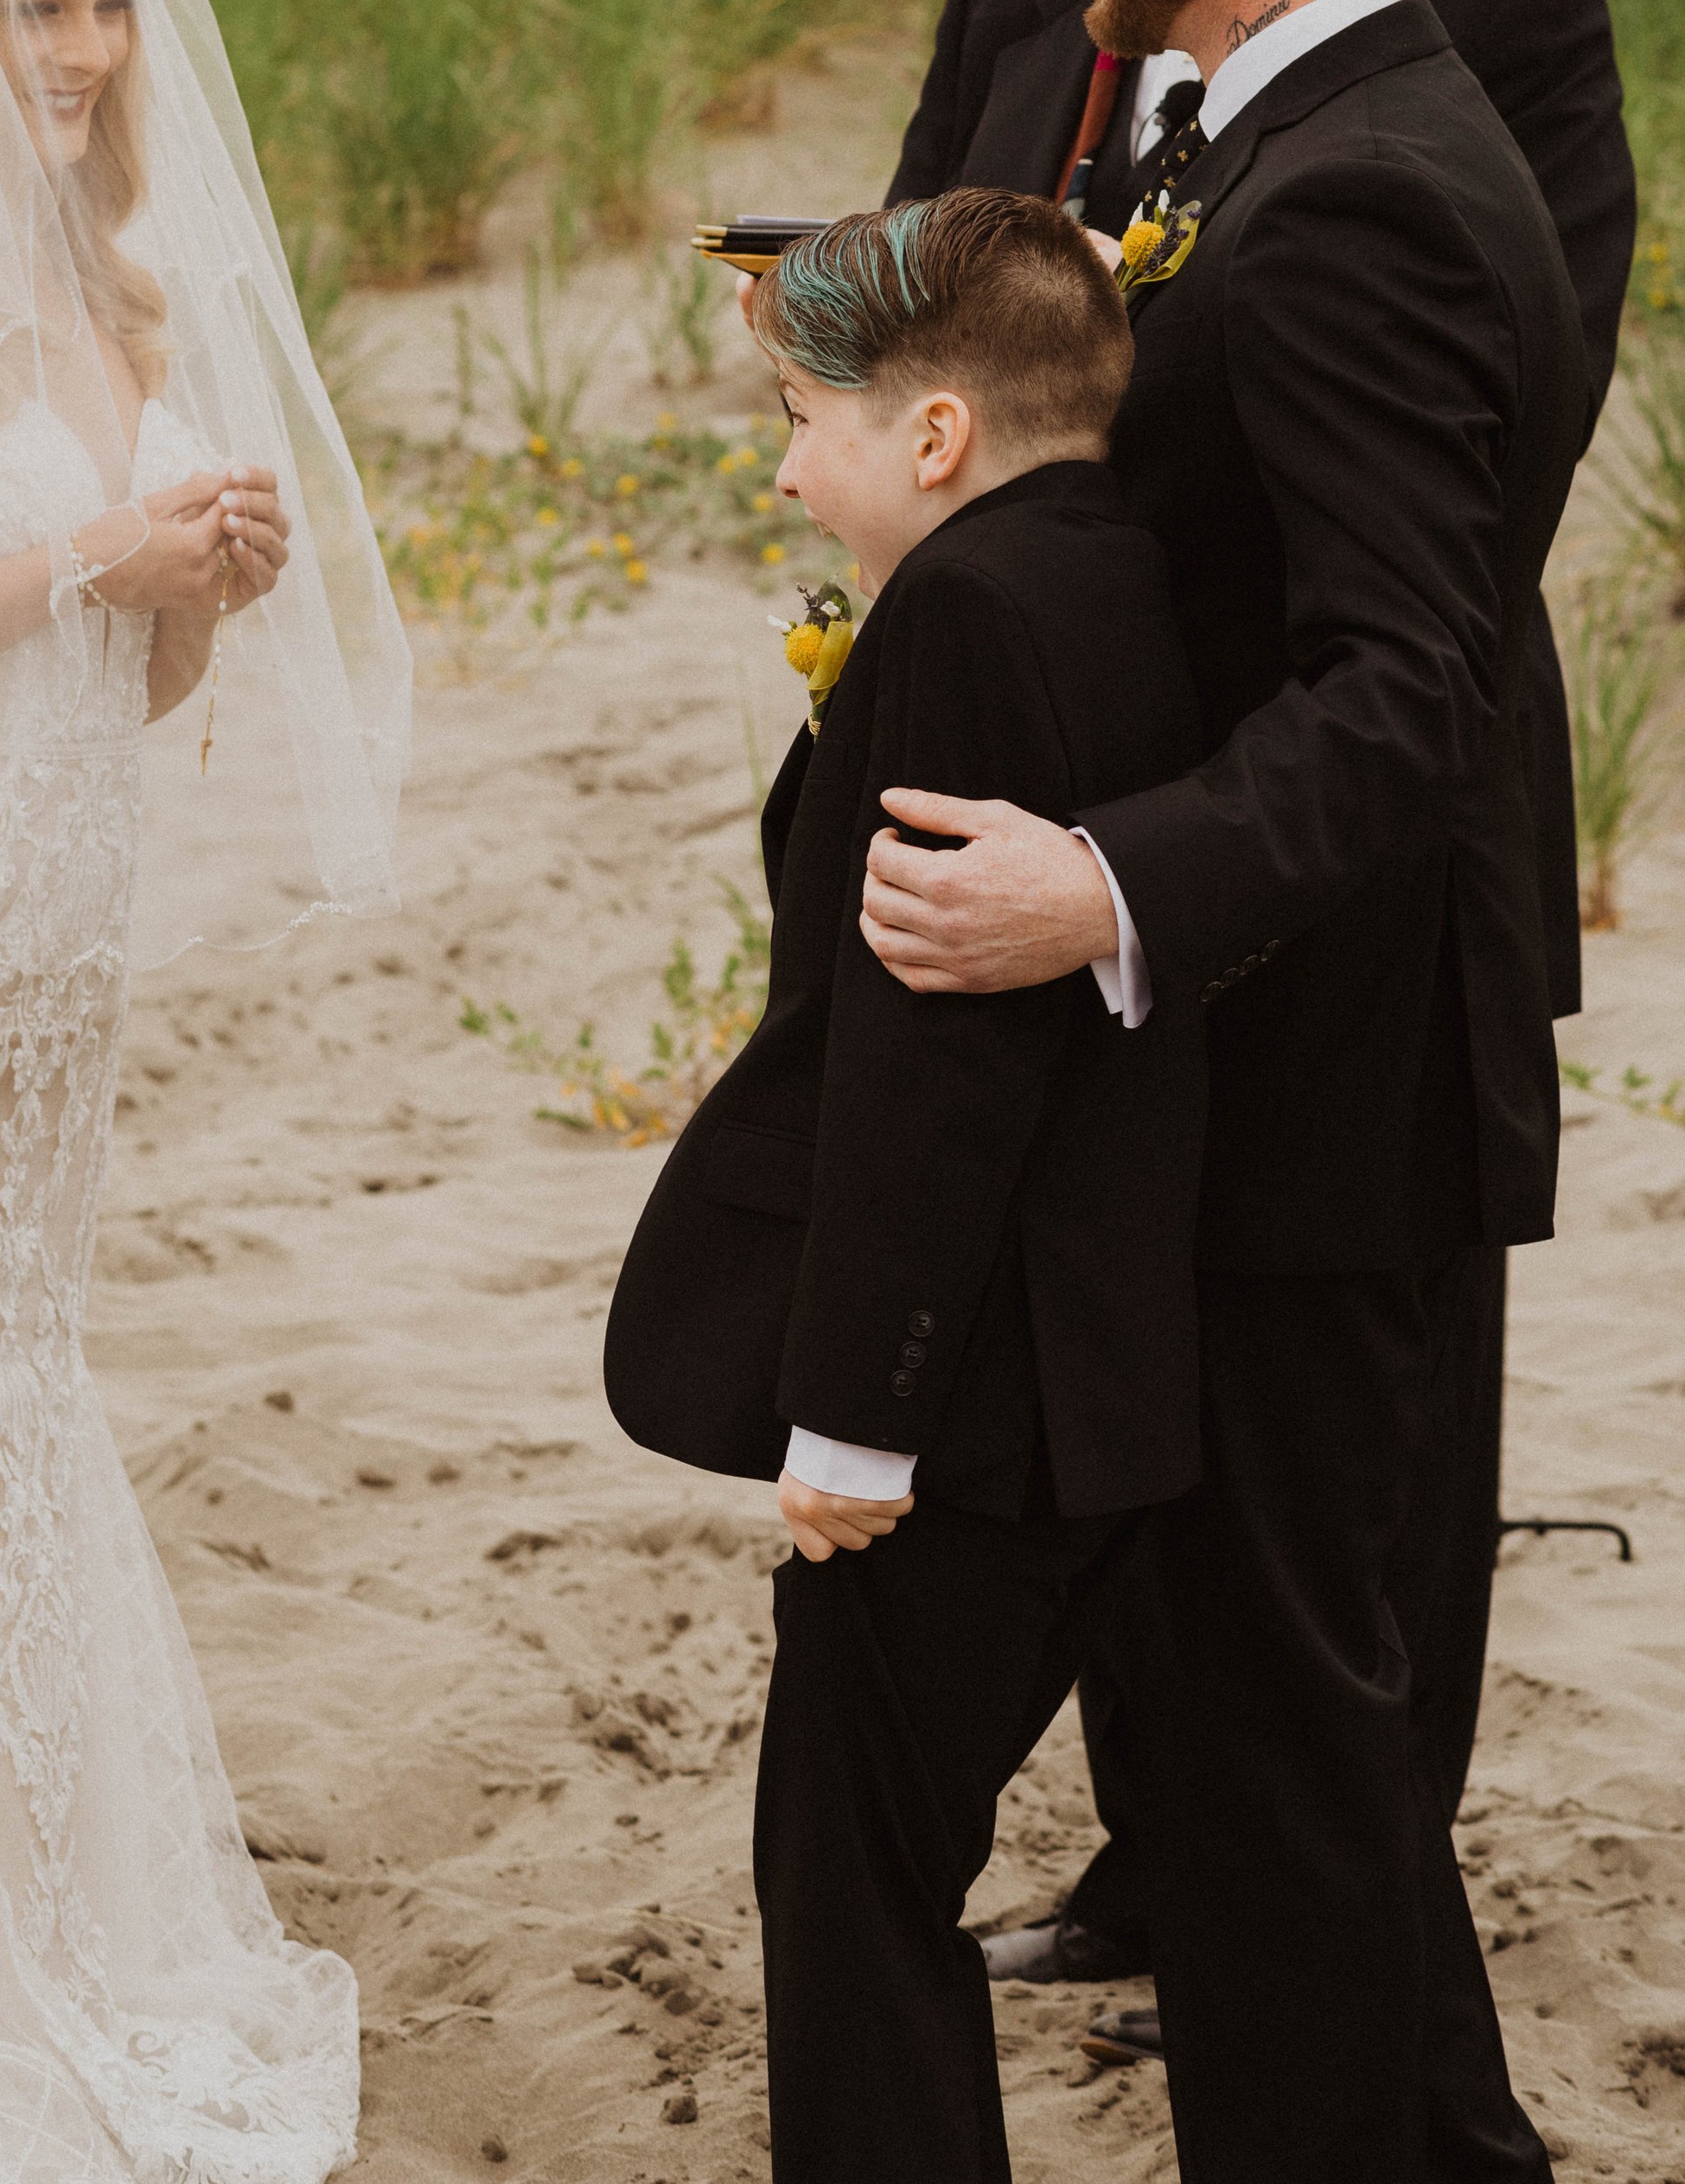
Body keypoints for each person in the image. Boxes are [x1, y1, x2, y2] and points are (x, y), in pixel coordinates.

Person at [860, 0, 1587, 2181]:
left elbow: (1409, 688)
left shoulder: (1373, 182)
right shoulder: (1290, 129)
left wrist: (1102, 884)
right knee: (1286, 1715)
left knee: (1281, 1744)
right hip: (1284, 1052)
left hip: (1319, 1067)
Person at [0, 0, 410, 2181]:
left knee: (0, 1380)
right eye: (28, 2)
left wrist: (190, 589)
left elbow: (126, 700)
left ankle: (14, 1885)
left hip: (56, 962)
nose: (73, 43)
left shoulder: (118, 288)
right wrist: (88, 558)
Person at [603, 189, 1208, 2184]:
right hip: (1123, 1366)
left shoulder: (960, 611)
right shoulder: (1125, 564)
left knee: (848, 1882)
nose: (783, 464)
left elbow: (926, 1066)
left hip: (973, 1403)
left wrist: (855, 1420)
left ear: (930, 435)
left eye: (801, 414)